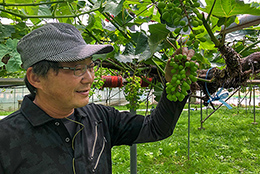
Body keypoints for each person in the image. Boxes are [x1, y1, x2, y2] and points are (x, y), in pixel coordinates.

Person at [0, 23, 194, 174]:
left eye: (90, 66)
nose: (90, 78)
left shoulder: (100, 118)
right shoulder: (5, 138)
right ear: (36, 77)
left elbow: (156, 128)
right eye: (76, 68)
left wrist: (173, 84)